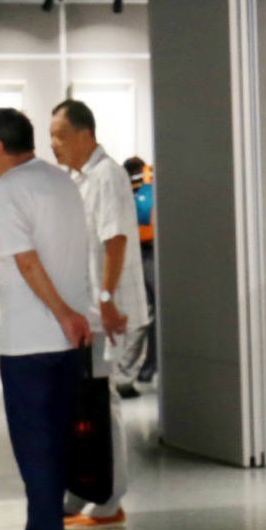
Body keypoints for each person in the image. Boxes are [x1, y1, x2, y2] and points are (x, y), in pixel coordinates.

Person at [0, 108, 95, 530]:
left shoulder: (13, 186)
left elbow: (31, 260)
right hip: (62, 338)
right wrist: (2, 274)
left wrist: (60, 311)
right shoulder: (60, 181)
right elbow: (39, 260)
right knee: (53, 442)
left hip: (30, 340)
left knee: (35, 446)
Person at [47, 98, 144, 529]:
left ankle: (108, 501)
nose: (54, 144)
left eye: (59, 135)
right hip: (91, 310)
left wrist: (106, 299)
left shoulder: (106, 175)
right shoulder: (79, 178)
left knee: (104, 405)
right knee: (84, 403)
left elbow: (116, 240)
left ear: (85, 134)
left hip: (110, 311)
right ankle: (83, 490)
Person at [125, 156, 156, 388]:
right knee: (148, 316)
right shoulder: (149, 187)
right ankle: (137, 371)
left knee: (143, 316)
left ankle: (131, 372)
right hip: (149, 254)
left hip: (137, 254)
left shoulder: (129, 190)